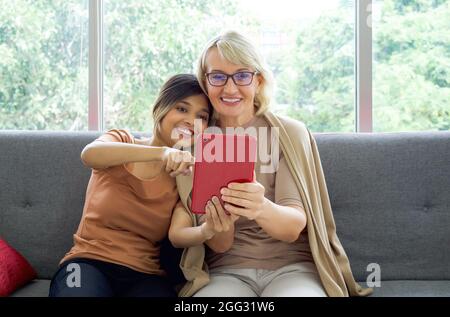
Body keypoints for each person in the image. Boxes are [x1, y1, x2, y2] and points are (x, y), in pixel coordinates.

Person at [169, 31, 373, 297]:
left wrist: (260, 206)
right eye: (218, 76)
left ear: (259, 80)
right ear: (205, 82)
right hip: (226, 272)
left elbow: (291, 229)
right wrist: (219, 224)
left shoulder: (290, 134)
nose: (230, 88)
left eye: (242, 75)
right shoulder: (195, 141)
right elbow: (219, 246)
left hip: (293, 269)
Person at [49, 74, 212, 297]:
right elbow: (90, 155)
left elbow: (178, 233)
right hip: (87, 263)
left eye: (201, 117)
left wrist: (208, 229)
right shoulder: (122, 140)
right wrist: (162, 153)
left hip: (145, 275)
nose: (190, 121)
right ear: (160, 108)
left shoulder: (184, 176)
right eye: (182, 109)